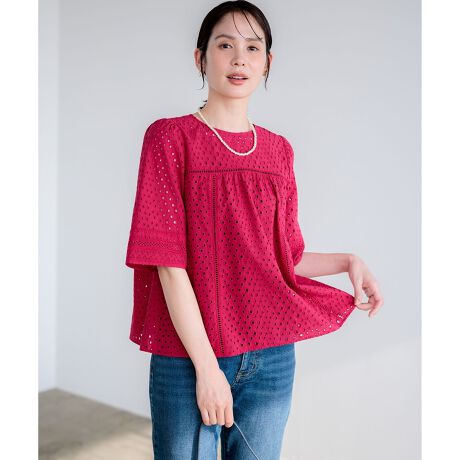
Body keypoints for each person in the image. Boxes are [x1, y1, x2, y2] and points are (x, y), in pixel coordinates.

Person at [125, 1, 384, 459]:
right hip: (188, 357)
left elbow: (283, 258)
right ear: (200, 57)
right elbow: (168, 264)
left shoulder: (279, 151)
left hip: (271, 356)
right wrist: (207, 369)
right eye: (225, 45)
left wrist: (348, 261)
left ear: (267, 62)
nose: (239, 59)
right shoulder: (170, 138)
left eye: (252, 48)